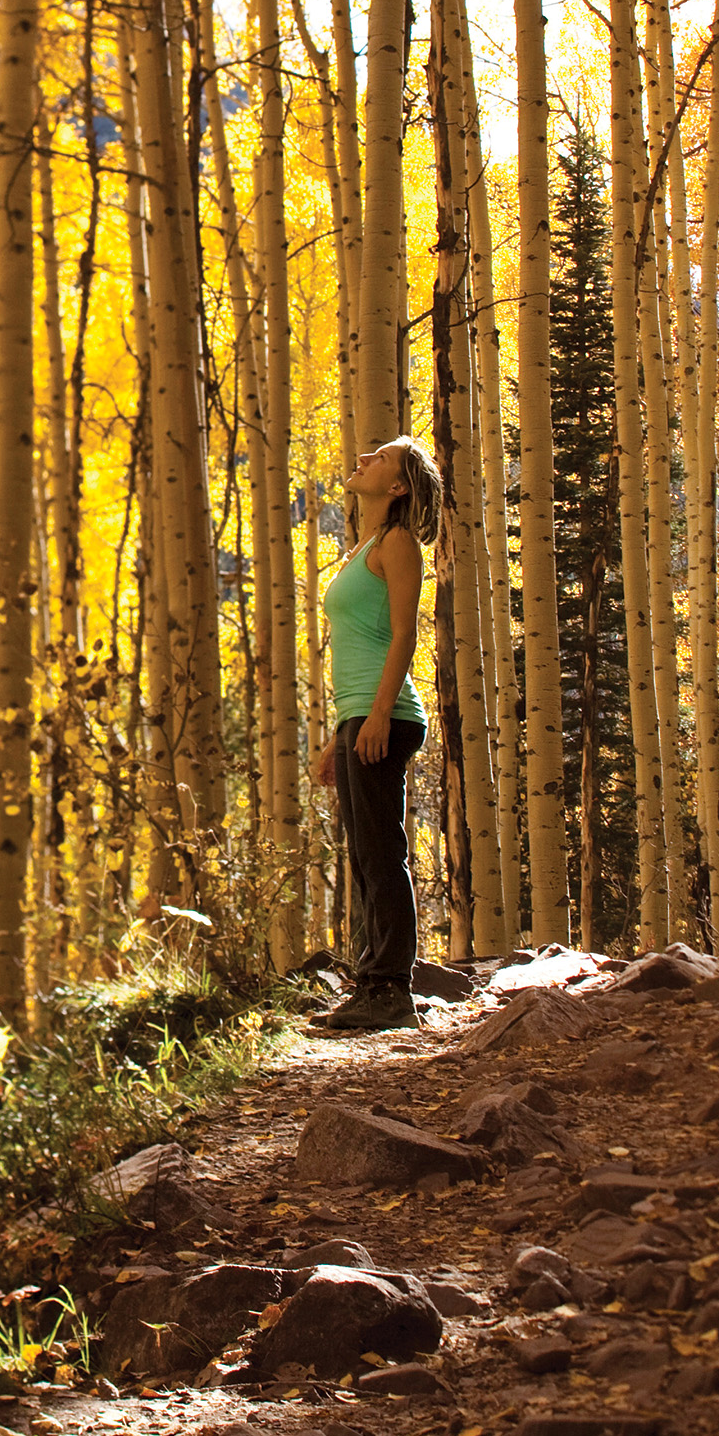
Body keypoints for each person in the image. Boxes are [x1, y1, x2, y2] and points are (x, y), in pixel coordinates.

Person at [305, 435, 442, 1035]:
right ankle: (372, 983)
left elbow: (405, 636)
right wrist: (339, 736)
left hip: (387, 714)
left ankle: (390, 991)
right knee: (364, 853)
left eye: (379, 458)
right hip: (359, 714)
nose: (361, 458)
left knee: (382, 853)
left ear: (398, 486)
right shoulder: (365, 545)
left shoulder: (399, 543)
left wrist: (380, 713)